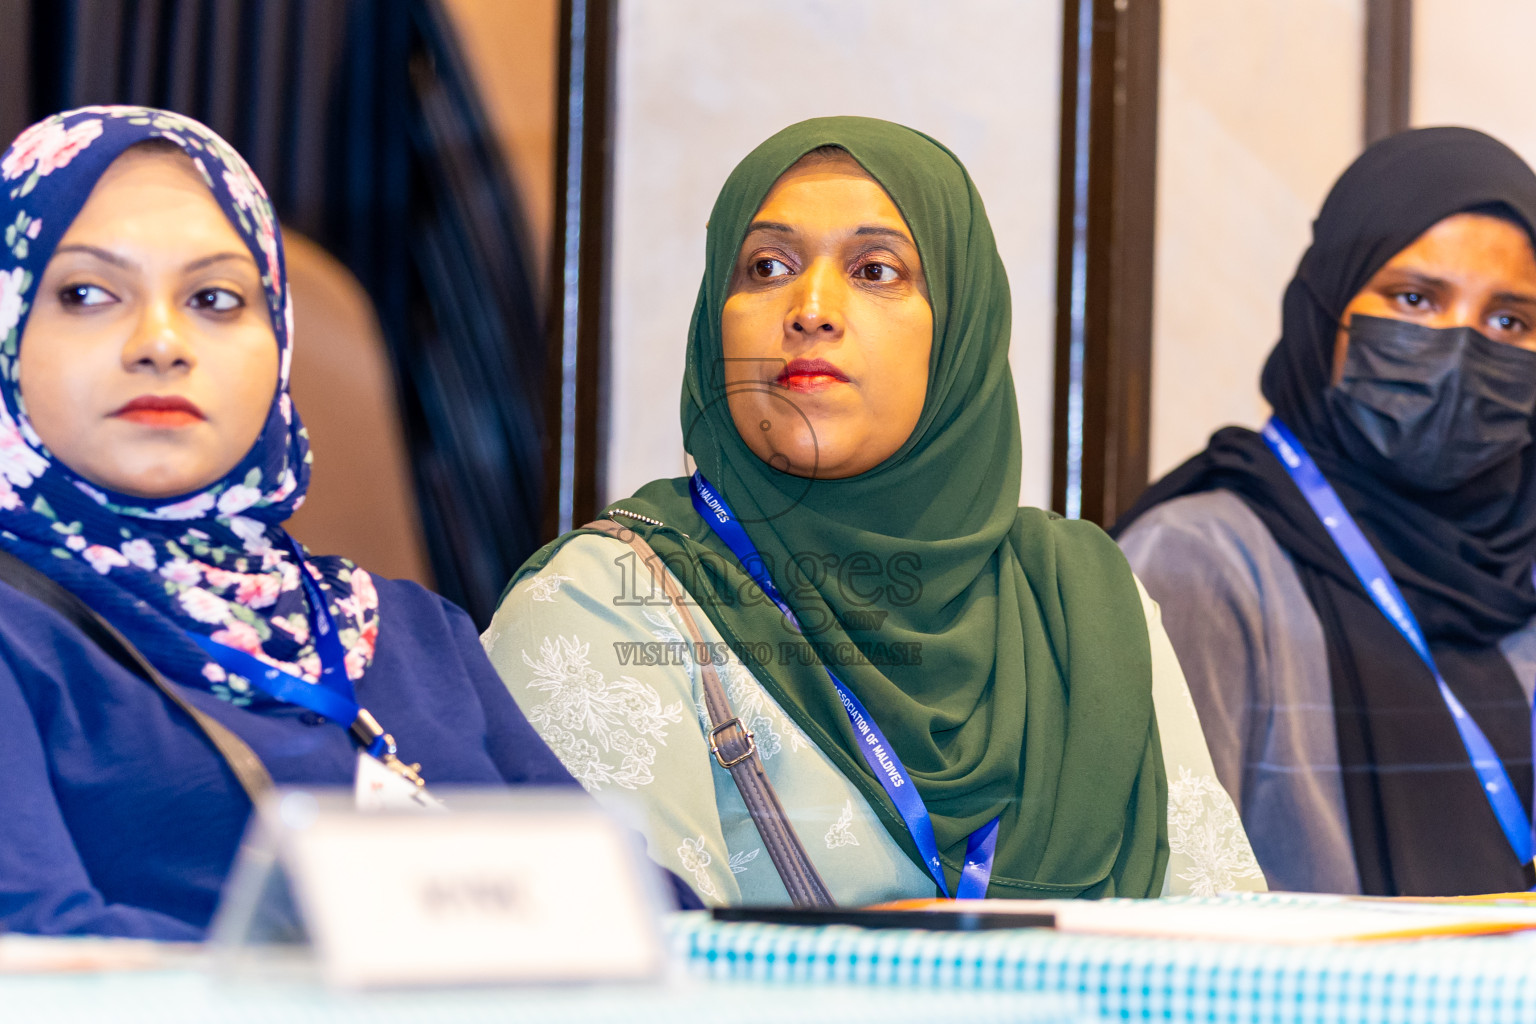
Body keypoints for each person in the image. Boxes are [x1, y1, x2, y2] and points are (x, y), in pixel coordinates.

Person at [484, 116, 1263, 906]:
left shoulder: (1086, 601)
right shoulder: (606, 605)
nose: (811, 307)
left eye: (876, 270)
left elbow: (1233, 945)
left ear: (959, 333)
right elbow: (612, 976)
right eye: (766, 265)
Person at [0, 106, 588, 939]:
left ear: (276, 339)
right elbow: (37, 950)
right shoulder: (15, 631)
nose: (160, 342)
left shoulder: (418, 633)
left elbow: (625, 904)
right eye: (87, 293)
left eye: (214, 297)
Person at [1115, 127, 1536, 897]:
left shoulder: (1522, 572)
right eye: (1416, 299)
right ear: (1327, 311)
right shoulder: (1201, 565)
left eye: (1509, 321)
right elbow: (1162, 910)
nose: (1460, 353)